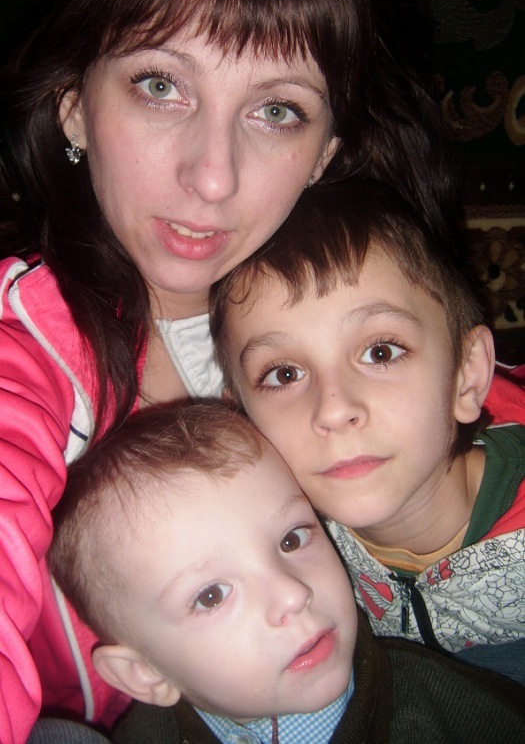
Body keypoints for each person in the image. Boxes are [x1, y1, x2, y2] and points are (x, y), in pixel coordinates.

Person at [0, 0, 524, 741]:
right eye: (159, 85)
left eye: (276, 110)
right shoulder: (17, 345)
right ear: (74, 108)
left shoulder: (350, 289)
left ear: (323, 154)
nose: (212, 176)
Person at [47, 401, 525, 743]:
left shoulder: (458, 714)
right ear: (145, 674)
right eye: (211, 595)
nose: (293, 594)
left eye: (292, 540)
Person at [210, 178, 525, 687]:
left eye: (380, 352)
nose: (335, 410)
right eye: (284, 374)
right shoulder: (268, 555)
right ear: (242, 418)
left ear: (466, 376)